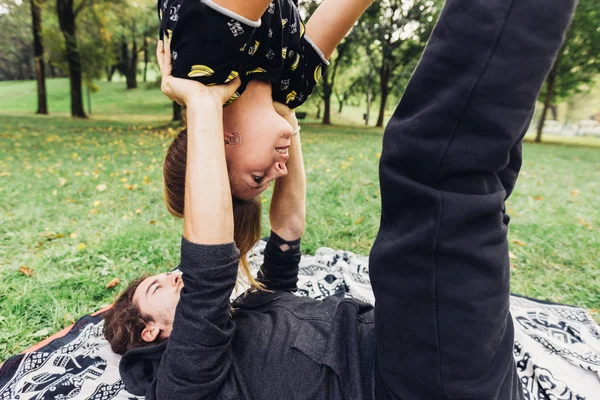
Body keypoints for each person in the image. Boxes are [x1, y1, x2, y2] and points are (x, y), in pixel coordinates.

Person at [105, 0, 576, 398]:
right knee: (433, 167)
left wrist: (283, 113)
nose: (174, 275)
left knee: (476, 166)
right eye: (157, 287)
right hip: (414, 377)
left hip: (443, 353)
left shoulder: (250, 314)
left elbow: (287, 232)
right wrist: (202, 106)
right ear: (151, 332)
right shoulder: (183, 380)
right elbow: (207, 274)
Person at [160, 0, 374, 202]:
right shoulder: (292, 88)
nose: (283, 171)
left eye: (257, 177)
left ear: (218, 144)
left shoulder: (200, 68)